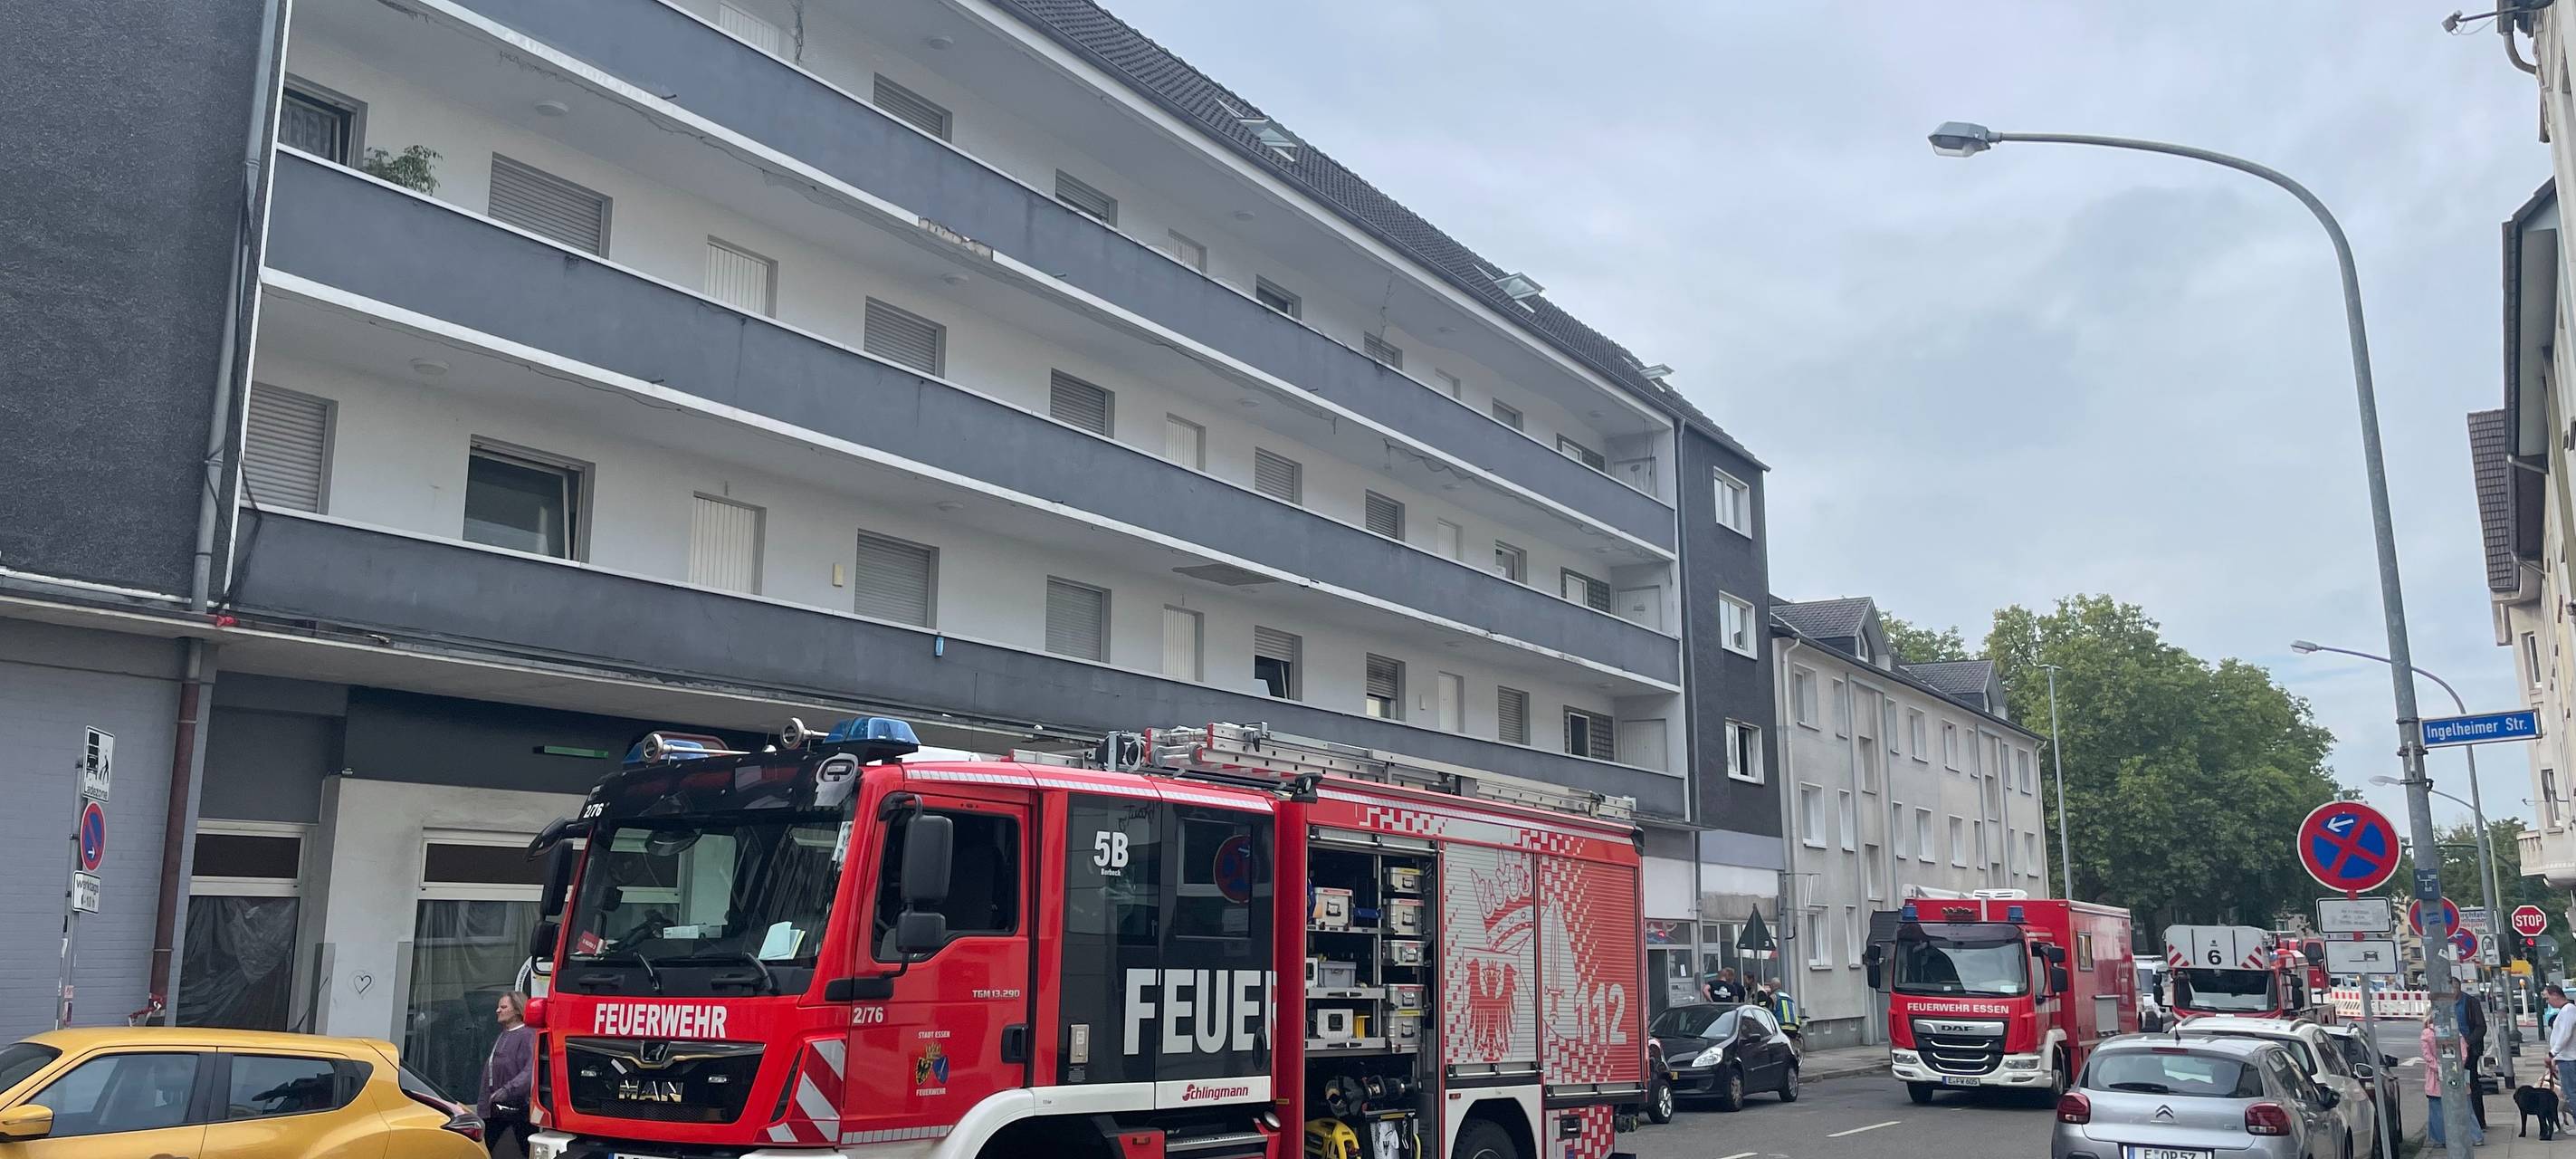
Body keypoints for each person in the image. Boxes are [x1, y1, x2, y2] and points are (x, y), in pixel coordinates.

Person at [481, 991, 538, 1157]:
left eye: (503, 1007)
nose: (498, 1010)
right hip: (497, 1107)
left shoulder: (528, 1034)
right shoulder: (504, 1035)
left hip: (518, 1108)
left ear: (518, 1010)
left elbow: (530, 1070)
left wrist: (507, 1090)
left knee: (527, 1149)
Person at [2425, 1014, 2488, 1148]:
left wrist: (2440, 1069)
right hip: (2457, 1075)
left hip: (2435, 1078)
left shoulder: (2426, 1034)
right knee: (2466, 1107)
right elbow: (2464, 1055)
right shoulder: (2456, 1033)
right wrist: (2454, 1067)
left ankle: (2440, 1139)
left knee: (2437, 1109)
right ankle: (2475, 1136)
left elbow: (2428, 1057)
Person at [2547, 984, 2576, 1103]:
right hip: (2565, 1058)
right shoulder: (2566, 1010)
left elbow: (2565, 1034)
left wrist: (2552, 1054)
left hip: (2569, 1060)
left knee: (2571, 1093)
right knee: (2570, 1092)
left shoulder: (2568, 1010)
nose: (2547, 1002)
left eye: (2547, 998)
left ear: (2555, 995)